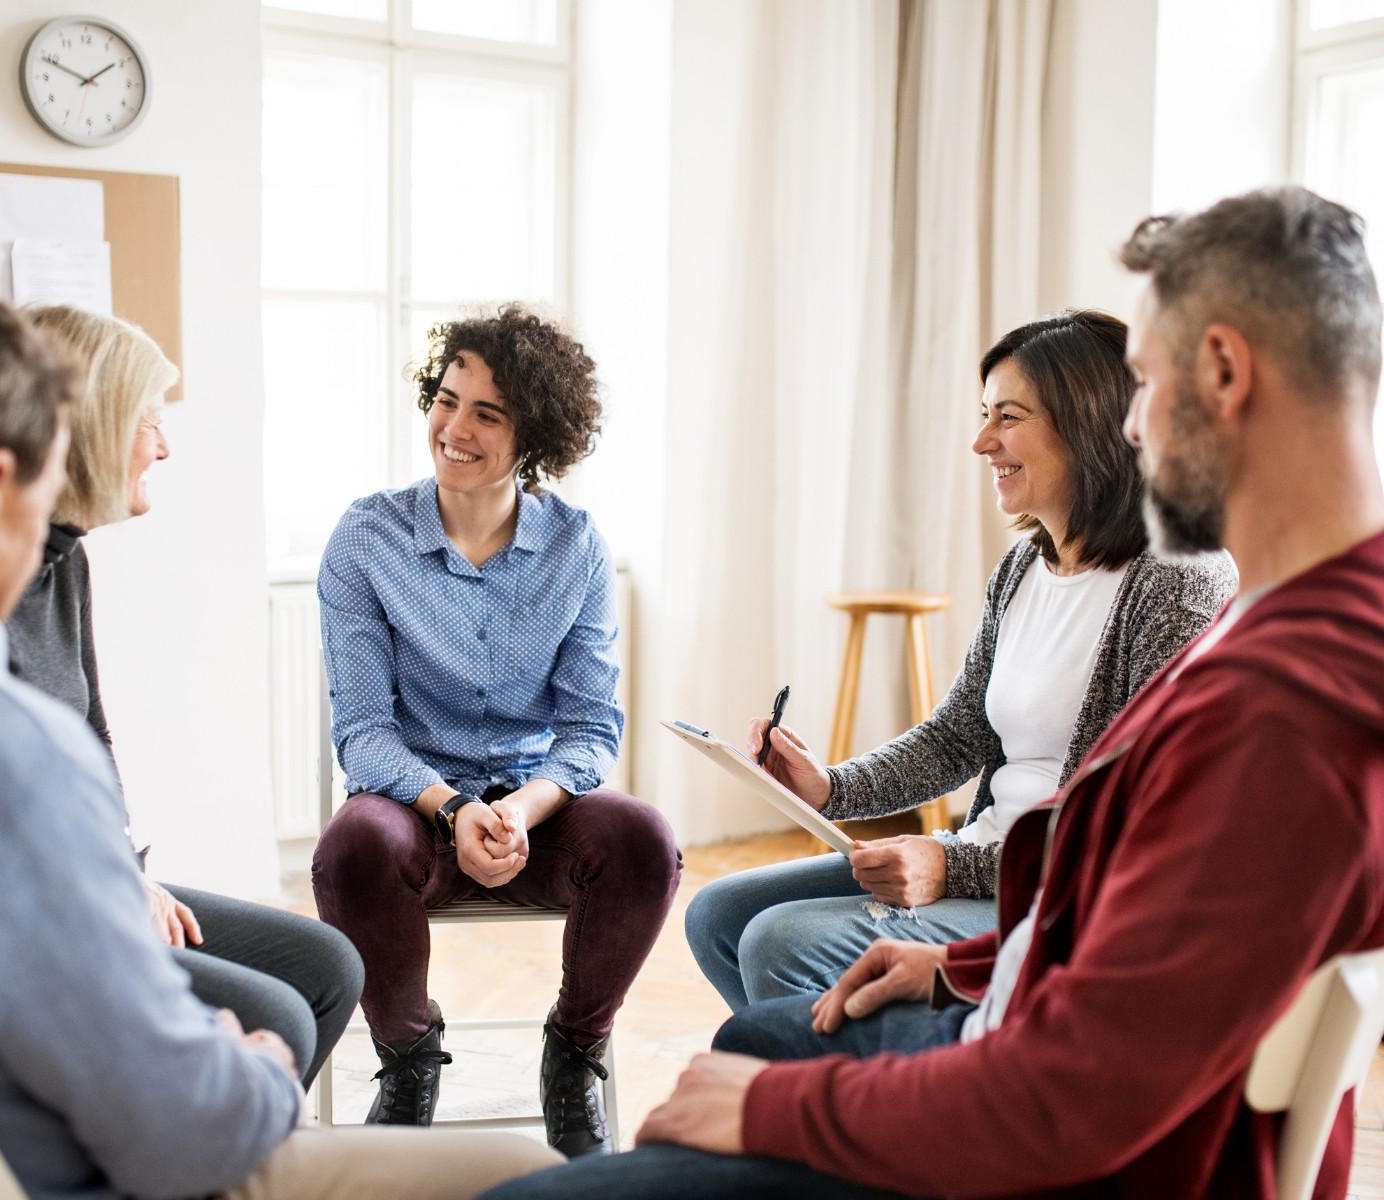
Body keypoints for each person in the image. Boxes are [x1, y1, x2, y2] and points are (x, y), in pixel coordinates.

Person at [479, 184, 1384, 1200]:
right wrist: (962, 968)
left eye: (1143, 381)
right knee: (759, 1029)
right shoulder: (1299, 634)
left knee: (561, 1178)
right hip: (1017, 1031)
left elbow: (1076, 1099)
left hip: (1051, 1156)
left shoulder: (1281, 709)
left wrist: (770, 1112)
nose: (1135, 422)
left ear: (1220, 370)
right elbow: (1150, 954)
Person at [0, 255, 562, 1200]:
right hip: (72, 1172)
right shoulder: (0, 753)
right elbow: (188, 1128)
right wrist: (261, 1060)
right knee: (523, 1172)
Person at [686, 310, 1235, 1011]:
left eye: (1007, 417)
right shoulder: (1024, 566)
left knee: (779, 945)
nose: (982, 442)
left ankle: (882, 1102)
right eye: (984, 415)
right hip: (987, 858)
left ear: (1090, 423)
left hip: (1071, 896)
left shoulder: (1177, 579)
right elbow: (957, 737)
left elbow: (1135, 823)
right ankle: (879, 1086)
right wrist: (829, 788)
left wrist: (951, 864)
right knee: (719, 917)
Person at [311, 305, 683, 1157]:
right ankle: (408, 1061)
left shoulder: (577, 546)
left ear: (537, 435)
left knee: (643, 838)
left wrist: (522, 808)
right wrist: (451, 810)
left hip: (534, 822)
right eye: (448, 400)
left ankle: (574, 1055)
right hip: (415, 813)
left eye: (489, 413)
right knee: (351, 846)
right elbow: (364, 732)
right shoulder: (368, 539)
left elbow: (591, 726)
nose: (455, 429)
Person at [6, 304, 361, 1091]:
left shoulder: (67, 563)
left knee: (330, 965)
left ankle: (236, 1157)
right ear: (92, 423)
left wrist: (127, 869)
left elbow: (90, 736)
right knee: (282, 1017)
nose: (163, 445)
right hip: (45, 907)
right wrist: (110, 885)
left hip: (96, 876)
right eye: (148, 419)